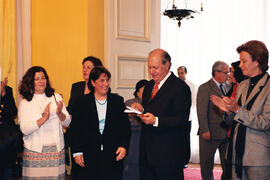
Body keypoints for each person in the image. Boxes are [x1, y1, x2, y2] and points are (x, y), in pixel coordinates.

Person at [211, 40, 270, 180]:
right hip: (235, 154)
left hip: (258, 159)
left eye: (244, 61)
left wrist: (237, 109)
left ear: (257, 61)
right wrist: (227, 111)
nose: (240, 65)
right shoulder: (242, 85)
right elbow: (235, 120)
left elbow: (266, 122)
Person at [132, 49, 191, 180]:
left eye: (155, 67)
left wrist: (156, 121)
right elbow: (151, 110)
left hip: (168, 154)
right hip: (147, 152)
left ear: (167, 65)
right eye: (149, 67)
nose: (152, 71)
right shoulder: (148, 86)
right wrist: (141, 110)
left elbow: (181, 120)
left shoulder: (180, 87)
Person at [70, 66, 131, 180]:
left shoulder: (117, 101)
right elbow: (75, 130)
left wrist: (124, 146)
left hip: (112, 155)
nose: (106, 84)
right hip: (88, 156)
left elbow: (125, 128)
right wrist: (76, 152)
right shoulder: (81, 102)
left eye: (107, 80)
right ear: (93, 82)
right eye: (102, 80)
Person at [18, 66, 71, 179]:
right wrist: (43, 119)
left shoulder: (55, 97)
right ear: (30, 82)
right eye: (37, 79)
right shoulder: (25, 103)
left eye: (43, 77)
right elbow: (25, 129)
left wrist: (59, 113)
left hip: (56, 150)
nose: (41, 81)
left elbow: (67, 123)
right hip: (35, 152)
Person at [67, 56, 102, 179]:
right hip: (77, 135)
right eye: (83, 67)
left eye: (88, 67)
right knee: (77, 170)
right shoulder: (76, 87)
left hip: (94, 137)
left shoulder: (102, 88)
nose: (85, 70)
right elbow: (70, 108)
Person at [196, 61, 230, 180]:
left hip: (226, 133)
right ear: (217, 73)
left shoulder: (228, 86)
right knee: (207, 164)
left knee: (227, 164)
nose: (228, 75)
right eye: (226, 72)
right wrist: (205, 130)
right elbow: (201, 111)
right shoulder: (205, 87)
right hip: (209, 133)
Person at [123, 79, 148, 180]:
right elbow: (127, 123)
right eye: (144, 90)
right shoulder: (129, 103)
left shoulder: (152, 104)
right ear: (137, 92)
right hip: (133, 141)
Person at [177, 66, 197, 167]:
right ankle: (178, 159)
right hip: (176, 117)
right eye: (179, 73)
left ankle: (185, 160)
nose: (180, 75)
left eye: (182, 73)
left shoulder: (192, 85)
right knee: (177, 139)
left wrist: (187, 114)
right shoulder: (175, 85)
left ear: (186, 73)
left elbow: (193, 102)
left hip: (188, 117)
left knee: (186, 139)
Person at [0, 77, 18, 180]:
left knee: (7, 168)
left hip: (6, 138)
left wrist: (4, 95)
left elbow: (13, 113)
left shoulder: (8, 90)